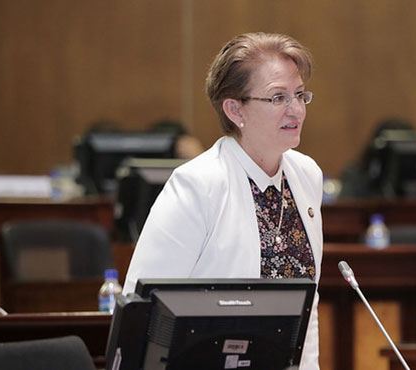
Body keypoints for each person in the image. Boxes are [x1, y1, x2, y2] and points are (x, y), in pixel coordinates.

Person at [123, 32, 323, 369]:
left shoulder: (307, 175)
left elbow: (308, 310)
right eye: (278, 98)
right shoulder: (198, 185)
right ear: (234, 109)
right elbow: (142, 307)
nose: (296, 109)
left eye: (300, 95)